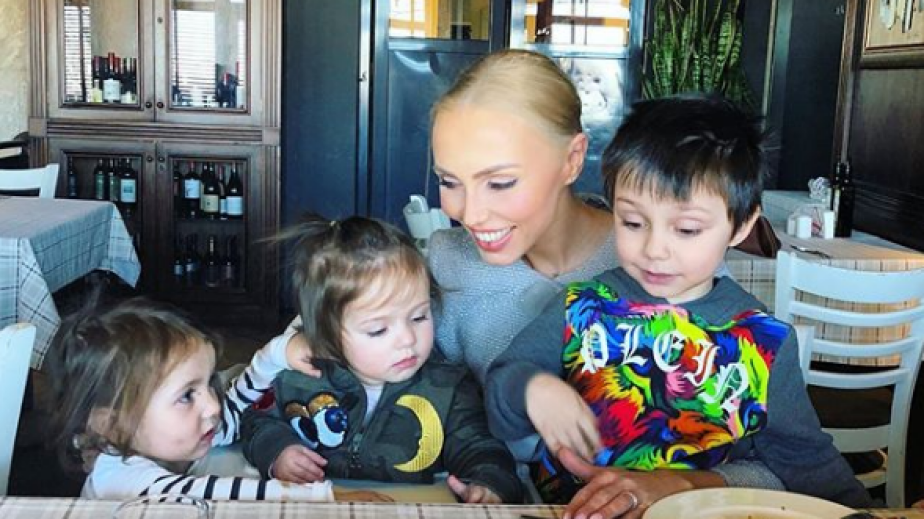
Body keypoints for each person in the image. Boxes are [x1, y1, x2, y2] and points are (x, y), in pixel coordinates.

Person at [483, 95, 872, 517]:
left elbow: (805, 460)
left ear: (741, 225)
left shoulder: (764, 341)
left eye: (686, 229)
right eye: (633, 222)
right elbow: (502, 386)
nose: (655, 249)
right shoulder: (581, 306)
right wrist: (532, 387)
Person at [240, 215, 523, 504]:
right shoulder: (299, 377)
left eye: (419, 317)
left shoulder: (449, 389)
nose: (408, 339)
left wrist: (489, 483)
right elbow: (253, 419)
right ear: (327, 335)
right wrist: (277, 451)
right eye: (378, 330)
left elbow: (481, 447)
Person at [46, 296, 385, 502]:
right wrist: (330, 496)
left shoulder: (169, 433)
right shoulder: (118, 480)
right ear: (112, 424)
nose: (211, 405)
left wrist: (276, 355)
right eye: (186, 396)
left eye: (209, 383)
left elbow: (233, 414)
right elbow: (222, 494)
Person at [427, 49, 616, 385]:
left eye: (500, 183)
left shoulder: (661, 260)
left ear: (572, 159)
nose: (471, 214)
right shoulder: (447, 264)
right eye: (449, 182)